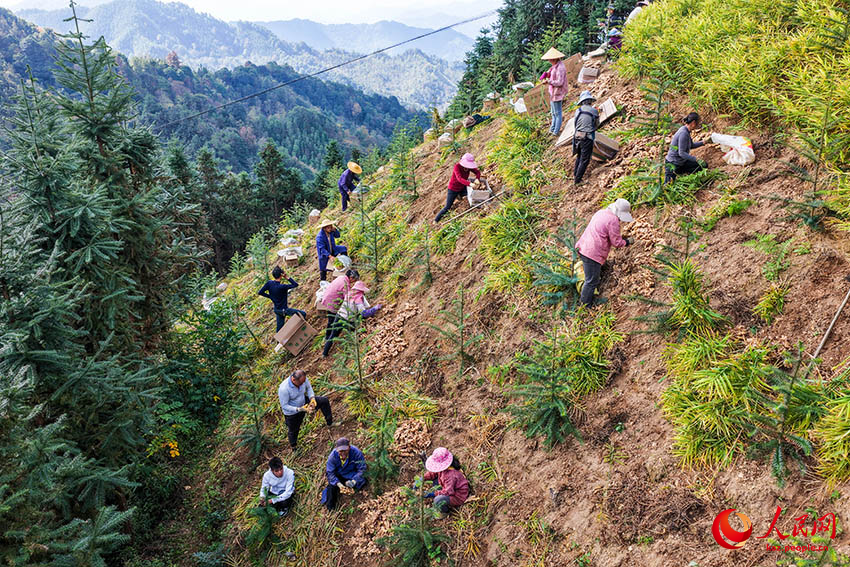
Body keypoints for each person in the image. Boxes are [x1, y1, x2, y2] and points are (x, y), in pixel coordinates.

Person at [575, 198, 635, 307]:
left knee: (591, 276)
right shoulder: (613, 221)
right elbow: (616, 243)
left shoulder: (601, 212)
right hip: (592, 253)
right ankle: (585, 305)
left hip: (584, 246)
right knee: (591, 281)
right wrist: (627, 242)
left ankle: (586, 300)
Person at [278, 369, 333, 450]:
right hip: (292, 412)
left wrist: (312, 398)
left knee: (324, 401)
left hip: (304, 402)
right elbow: (285, 406)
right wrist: (299, 409)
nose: (302, 384)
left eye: (303, 382)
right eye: (300, 383)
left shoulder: (303, 379)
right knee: (294, 430)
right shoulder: (284, 389)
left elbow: (309, 388)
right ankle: (294, 446)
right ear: (293, 379)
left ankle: (330, 423)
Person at [321, 269, 359, 357]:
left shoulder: (341, 277)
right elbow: (348, 298)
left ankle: (328, 337)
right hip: (332, 303)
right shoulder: (345, 284)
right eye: (354, 280)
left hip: (327, 299)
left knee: (331, 322)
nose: (354, 282)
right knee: (332, 322)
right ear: (351, 277)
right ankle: (329, 338)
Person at [322, 437, 367, 511]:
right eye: (340, 451)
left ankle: (353, 487)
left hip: (352, 474)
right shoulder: (332, 456)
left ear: (349, 447)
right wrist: (338, 484)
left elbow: (362, 468)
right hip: (339, 475)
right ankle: (331, 508)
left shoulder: (356, 452)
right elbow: (330, 473)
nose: (343, 453)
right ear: (337, 449)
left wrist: (354, 480)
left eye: (345, 450)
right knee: (331, 488)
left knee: (363, 481)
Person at [423, 447, 469, 518]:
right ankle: (440, 495)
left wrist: (433, 494)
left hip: (457, 495)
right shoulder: (445, 469)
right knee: (435, 480)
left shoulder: (451, 476)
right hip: (449, 487)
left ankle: (445, 512)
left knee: (438, 500)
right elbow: (434, 473)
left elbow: (449, 492)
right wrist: (423, 478)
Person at [665, 112, 710, 184]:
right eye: (698, 123)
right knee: (668, 185)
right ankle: (678, 174)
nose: (698, 125)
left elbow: (691, 145)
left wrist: (703, 142)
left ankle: (687, 176)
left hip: (681, 162)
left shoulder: (686, 131)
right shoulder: (683, 133)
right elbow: (681, 153)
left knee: (702, 166)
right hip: (673, 163)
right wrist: (696, 159)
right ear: (693, 123)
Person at [435, 153, 481, 222]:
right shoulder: (457, 167)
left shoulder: (469, 168)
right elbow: (459, 179)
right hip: (453, 189)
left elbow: (477, 172)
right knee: (447, 207)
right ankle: (436, 220)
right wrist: (470, 184)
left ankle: (460, 195)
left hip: (462, 187)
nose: (467, 167)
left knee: (470, 195)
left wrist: (477, 178)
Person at [258, 266, 305, 332]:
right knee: (303, 314)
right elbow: (295, 284)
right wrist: (287, 277)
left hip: (277, 310)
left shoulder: (269, 283)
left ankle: (279, 341)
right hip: (284, 310)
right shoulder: (282, 287)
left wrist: (270, 297)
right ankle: (298, 329)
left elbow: (260, 292)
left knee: (279, 330)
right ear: (281, 275)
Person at [572, 91, 600, 185]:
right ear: (590, 101)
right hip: (587, 137)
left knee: (579, 156)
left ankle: (576, 175)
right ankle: (578, 181)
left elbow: (575, 124)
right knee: (585, 159)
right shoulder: (594, 111)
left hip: (577, 136)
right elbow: (597, 125)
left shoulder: (578, 111)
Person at [539, 47, 568, 137]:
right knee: (553, 112)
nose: (549, 61)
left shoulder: (560, 68)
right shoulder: (554, 67)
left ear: (554, 59)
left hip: (558, 92)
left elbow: (559, 82)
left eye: (549, 59)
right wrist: (546, 75)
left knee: (557, 113)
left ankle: (555, 132)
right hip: (553, 93)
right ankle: (552, 129)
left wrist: (548, 81)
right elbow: (550, 73)